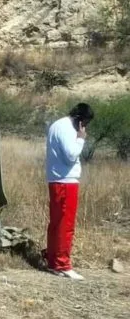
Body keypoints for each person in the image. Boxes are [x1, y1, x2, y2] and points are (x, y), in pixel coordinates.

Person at [45, 102, 94, 280]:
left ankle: (53, 261)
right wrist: (80, 138)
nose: (85, 127)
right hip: (66, 181)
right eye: (85, 124)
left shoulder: (57, 124)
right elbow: (71, 155)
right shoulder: (67, 128)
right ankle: (62, 264)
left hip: (56, 179)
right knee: (65, 225)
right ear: (80, 120)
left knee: (56, 223)